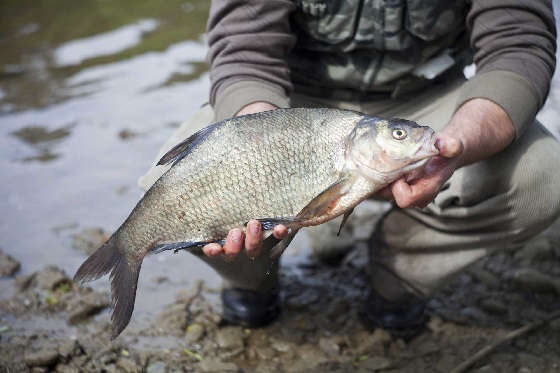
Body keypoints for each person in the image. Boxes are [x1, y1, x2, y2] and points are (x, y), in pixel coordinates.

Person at [139, 0, 560, 337]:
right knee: (169, 190)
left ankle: (401, 273)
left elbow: (518, 45)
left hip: (423, 99)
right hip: (291, 105)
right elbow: (245, 51)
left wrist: (460, 143)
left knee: (544, 178)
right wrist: (263, 147)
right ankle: (250, 277)